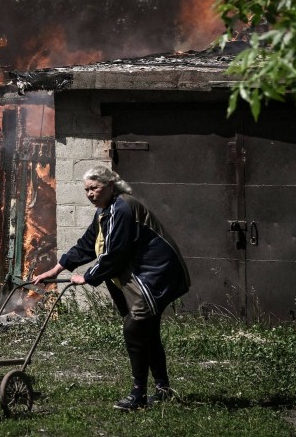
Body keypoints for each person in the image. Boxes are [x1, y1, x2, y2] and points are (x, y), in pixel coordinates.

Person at [33, 165, 190, 411]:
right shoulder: (106, 211)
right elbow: (87, 244)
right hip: (143, 274)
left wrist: (87, 277)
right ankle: (162, 389)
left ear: (109, 186)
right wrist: (55, 271)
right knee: (147, 330)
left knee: (134, 328)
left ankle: (138, 395)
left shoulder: (122, 208)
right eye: (86, 190)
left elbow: (115, 252)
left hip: (156, 274)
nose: (89, 194)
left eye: (94, 188)